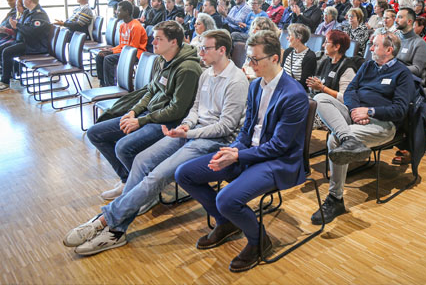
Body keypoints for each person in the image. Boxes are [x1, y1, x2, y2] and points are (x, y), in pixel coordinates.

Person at [63, 29, 249, 256]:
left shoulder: (237, 81)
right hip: (193, 132)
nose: (200, 52)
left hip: (214, 140)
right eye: (200, 47)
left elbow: (226, 127)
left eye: (205, 48)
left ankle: (106, 221)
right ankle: (117, 228)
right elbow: (195, 110)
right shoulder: (206, 74)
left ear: (221, 50)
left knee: (158, 175)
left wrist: (187, 134)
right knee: (141, 160)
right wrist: (187, 126)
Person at [174, 30, 309, 272]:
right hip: (250, 153)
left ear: (275, 58)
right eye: (248, 58)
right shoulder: (256, 86)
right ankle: (227, 223)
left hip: (279, 163)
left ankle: (260, 241)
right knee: (184, 174)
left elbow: (279, 146)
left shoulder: (294, 94)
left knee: (226, 198)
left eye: (255, 60)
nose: (249, 64)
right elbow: (246, 130)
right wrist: (232, 150)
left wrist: (237, 155)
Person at [86, 21, 203, 200]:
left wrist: (141, 121)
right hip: (149, 115)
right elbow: (151, 90)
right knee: (95, 133)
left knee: (123, 147)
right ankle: (129, 181)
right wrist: (134, 111)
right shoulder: (161, 59)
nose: (153, 42)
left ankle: (145, 192)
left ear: (173, 42)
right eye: (153, 38)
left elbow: (177, 110)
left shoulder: (187, 69)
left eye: (158, 39)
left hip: (169, 122)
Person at [311, 31, 415, 224]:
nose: (371, 47)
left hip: (382, 124)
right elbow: (350, 91)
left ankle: (336, 198)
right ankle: (348, 139)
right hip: (355, 115)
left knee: (334, 139)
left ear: (389, 50)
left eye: (375, 45)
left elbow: (400, 110)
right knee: (319, 98)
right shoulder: (368, 65)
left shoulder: (402, 74)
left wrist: (369, 112)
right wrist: (355, 111)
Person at [0, 0, 50, 91]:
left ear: (29, 0)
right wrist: (15, 27)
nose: (22, 2)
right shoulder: (28, 12)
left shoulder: (39, 15)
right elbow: (21, 29)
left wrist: (17, 25)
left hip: (34, 46)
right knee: (2, 48)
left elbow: (31, 32)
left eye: (23, 0)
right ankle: (7, 74)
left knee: (7, 52)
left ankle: (5, 81)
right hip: (23, 41)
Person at [95, 1, 148, 87]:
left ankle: (110, 86)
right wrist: (111, 50)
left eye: (119, 11)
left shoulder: (136, 26)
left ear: (126, 12)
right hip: (125, 51)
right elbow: (121, 45)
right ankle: (103, 83)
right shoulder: (122, 25)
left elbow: (132, 48)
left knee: (108, 59)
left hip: (135, 54)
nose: (116, 12)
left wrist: (113, 52)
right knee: (100, 56)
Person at [306, 30, 357, 104]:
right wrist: (315, 86)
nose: (323, 45)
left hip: (335, 107)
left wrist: (322, 87)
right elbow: (319, 84)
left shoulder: (348, 68)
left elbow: (345, 98)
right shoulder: (326, 62)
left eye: (326, 42)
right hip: (321, 101)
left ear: (336, 47)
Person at [395, 8, 426, 81]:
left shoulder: (419, 43)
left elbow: (417, 69)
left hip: (408, 80)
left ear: (409, 21)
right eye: (396, 17)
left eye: (400, 17)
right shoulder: (394, 38)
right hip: (392, 75)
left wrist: (394, 68)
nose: (396, 20)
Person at [281, 23, 316, 91]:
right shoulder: (288, 51)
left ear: (298, 38)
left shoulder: (309, 57)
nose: (287, 38)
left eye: (290, 35)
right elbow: (281, 72)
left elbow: (304, 84)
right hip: (283, 87)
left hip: (296, 91)